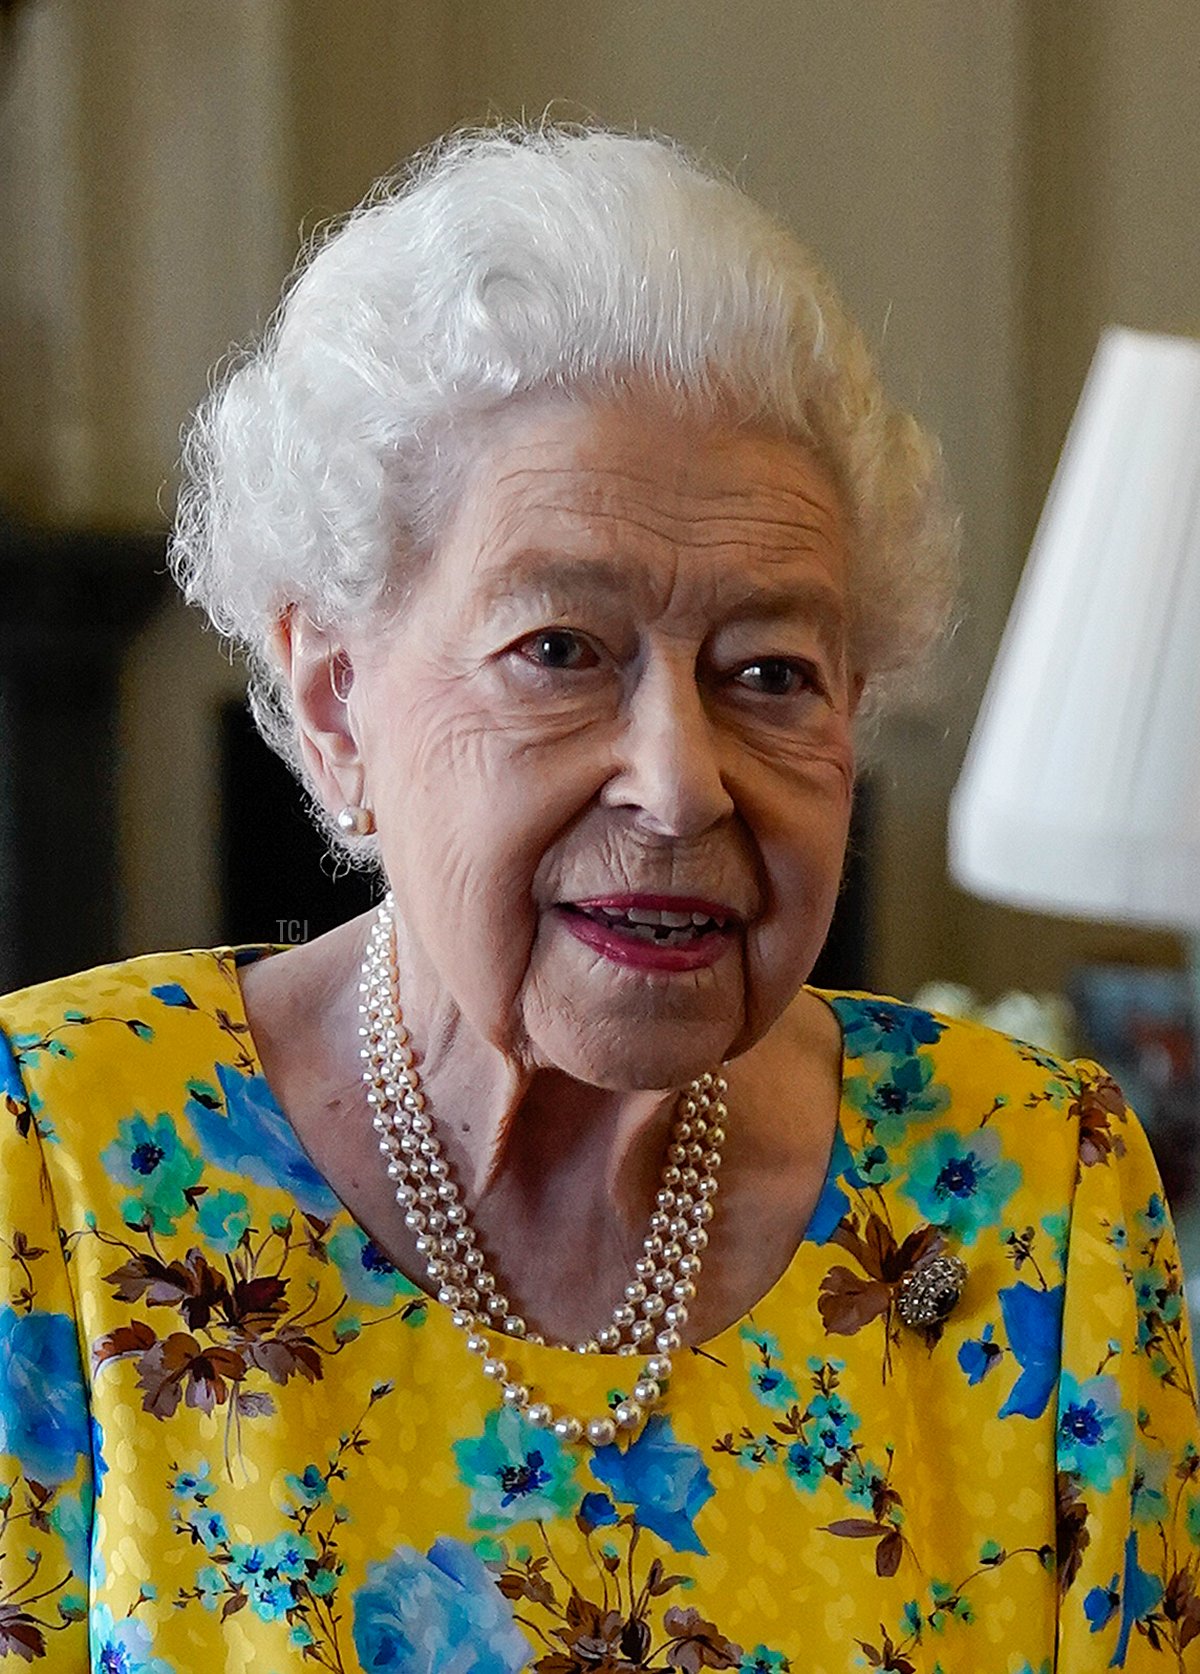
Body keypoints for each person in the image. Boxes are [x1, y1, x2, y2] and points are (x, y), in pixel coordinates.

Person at [0, 126, 1195, 1674]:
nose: (681, 783)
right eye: (561, 649)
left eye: (773, 673)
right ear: (337, 697)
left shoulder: (1038, 1206)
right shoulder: (61, 1157)